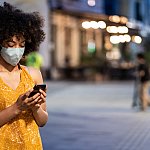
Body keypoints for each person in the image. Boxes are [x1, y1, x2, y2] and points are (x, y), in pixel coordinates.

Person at [0, 2, 48, 149]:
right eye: (11, 44)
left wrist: (36, 108)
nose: (17, 50)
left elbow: (42, 121)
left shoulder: (33, 74)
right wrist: (17, 107)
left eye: (21, 44)